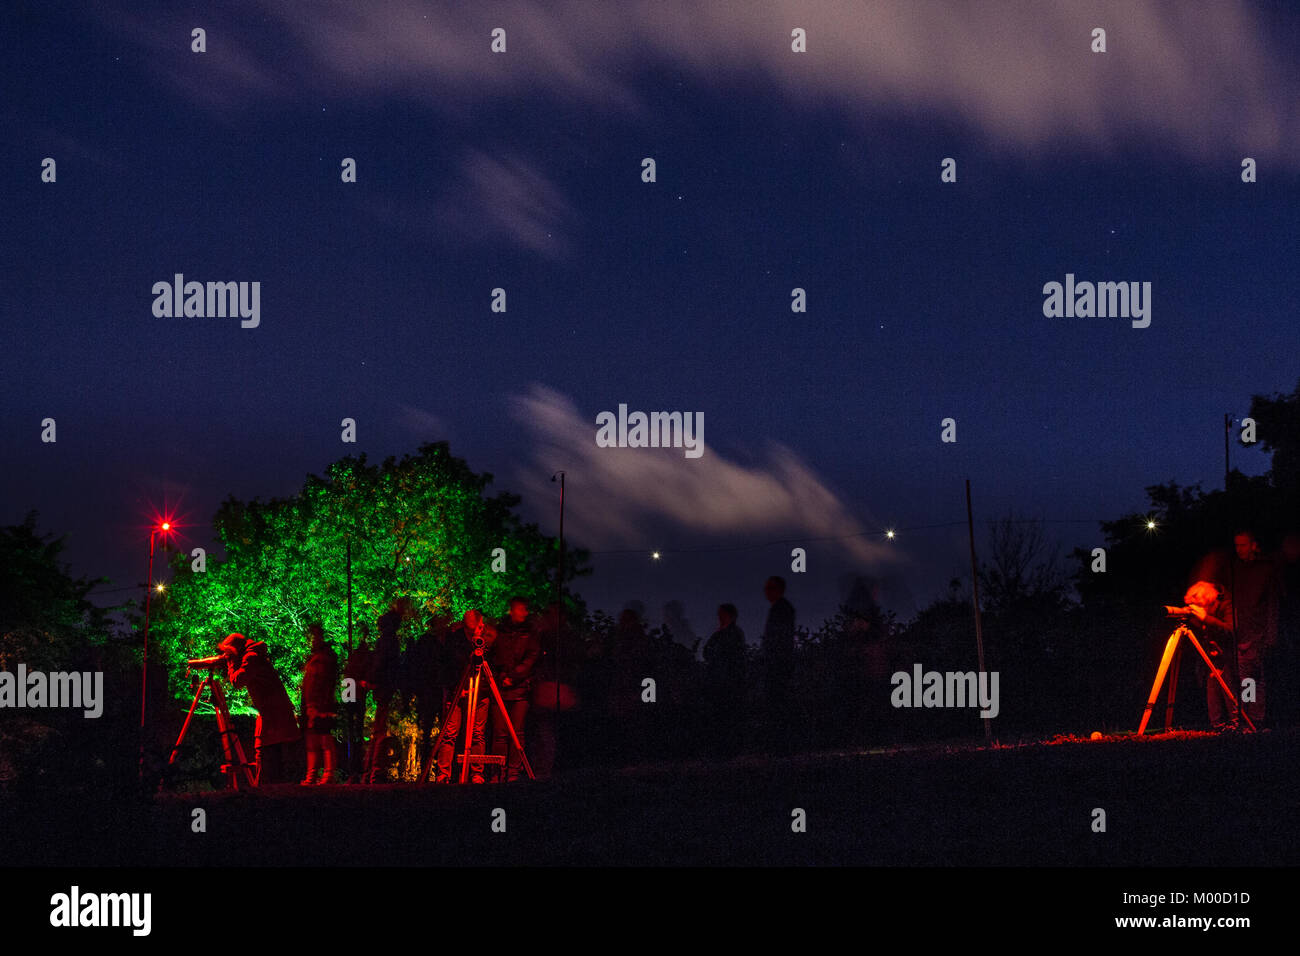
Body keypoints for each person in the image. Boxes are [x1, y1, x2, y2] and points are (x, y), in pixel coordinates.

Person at [217, 632, 300, 785]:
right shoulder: (253, 655)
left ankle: (264, 792)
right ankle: (270, 789)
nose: (225, 655)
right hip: (273, 712)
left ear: (235, 650)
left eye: (228, 652)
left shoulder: (251, 657)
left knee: (265, 754)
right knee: (267, 753)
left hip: (274, 714)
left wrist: (230, 662)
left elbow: (237, 681)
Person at [1226, 530, 1281, 729]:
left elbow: (1272, 605)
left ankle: (1257, 718)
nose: (1239, 549)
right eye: (1237, 545)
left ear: (1253, 545)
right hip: (1241, 633)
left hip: (1259, 634)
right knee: (1246, 679)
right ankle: (1248, 717)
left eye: (1243, 545)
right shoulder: (1236, 570)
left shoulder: (1265, 569)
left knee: (1256, 678)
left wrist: (1270, 634)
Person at [433, 609, 495, 783]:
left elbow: (489, 666)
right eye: (479, 625)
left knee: (477, 734)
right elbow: (449, 667)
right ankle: (443, 773)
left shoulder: (485, 641)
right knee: (450, 733)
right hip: (457, 692)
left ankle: (476, 773)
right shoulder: (454, 643)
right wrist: (456, 689)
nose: (481, 628)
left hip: (479, 693)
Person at [1170, 581, 1238, 732]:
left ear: (1207, 600)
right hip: (1211, 658)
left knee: (1231, 691)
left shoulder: (1226, 606)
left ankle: (1238, 724)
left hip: (1230, 656)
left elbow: (1230, 631)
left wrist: (1205, 618)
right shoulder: (1205, 611)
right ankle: (1217, 727)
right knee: (1212, 694)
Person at [490, 597, 540, 781]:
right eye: (521, 609)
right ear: (512, 610)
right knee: (500, 733)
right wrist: (502, 676)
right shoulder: (499, 631)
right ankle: (498, 771)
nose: (524, 613)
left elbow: (531, 658)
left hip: (520, 689)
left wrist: (515, 676)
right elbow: (492, 655)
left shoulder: (530, 633)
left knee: (516, 732)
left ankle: (512, 772)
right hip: (501, 688)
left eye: (525, 610)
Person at [703, 603, 746, 756]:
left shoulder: (733, 634)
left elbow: (734, 656)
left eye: (722, 614)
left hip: (728, 680)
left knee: (726, 715)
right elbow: (706, 652)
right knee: (719, 715)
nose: (719, 617)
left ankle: (727, 750)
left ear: (730, 615)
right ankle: (721, 749)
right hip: (718, 679)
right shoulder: (720, 634)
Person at [300, 623, 340, 785]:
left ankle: (323, 775)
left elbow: (317, 684)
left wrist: (313, 704)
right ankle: (317, 775)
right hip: (318, 704)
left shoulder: (321, 660)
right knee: (317, 740)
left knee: (321, 739)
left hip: (319, 705)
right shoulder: (321, 659)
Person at [760, 576, 796, 750]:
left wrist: (772, 658)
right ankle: (779, 745)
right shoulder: (781, 608)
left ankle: (780, 746)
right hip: (778, 663)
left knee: (778, 704)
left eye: (769, 588)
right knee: (778, 704)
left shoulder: (781, 609)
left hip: (778, 664)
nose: (766, 592)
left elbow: (779, 639)